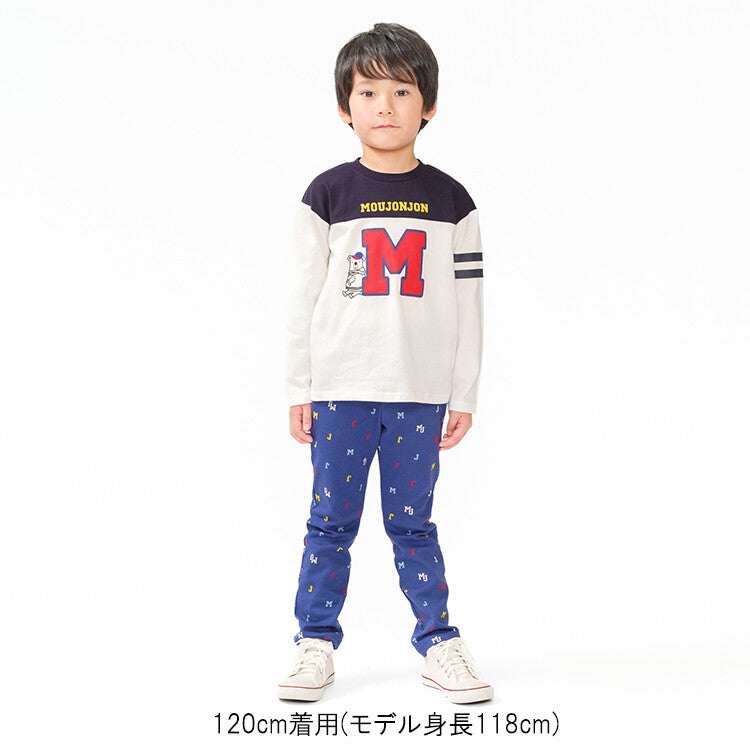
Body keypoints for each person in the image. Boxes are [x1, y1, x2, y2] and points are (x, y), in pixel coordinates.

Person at [277, 22, 492, 704]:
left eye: (402, 91)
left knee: (413, 524)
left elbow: (470, 305)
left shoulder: (453, 201)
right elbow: (302, 298)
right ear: (345, 107)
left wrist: (463, 394)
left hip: (419, 394)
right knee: (330, 523)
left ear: (429, 104)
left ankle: (438, 642)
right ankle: (314, 643)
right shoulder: (326, 195)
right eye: (368, 92)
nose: (386, 106)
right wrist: (299, 387)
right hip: (341, 390)